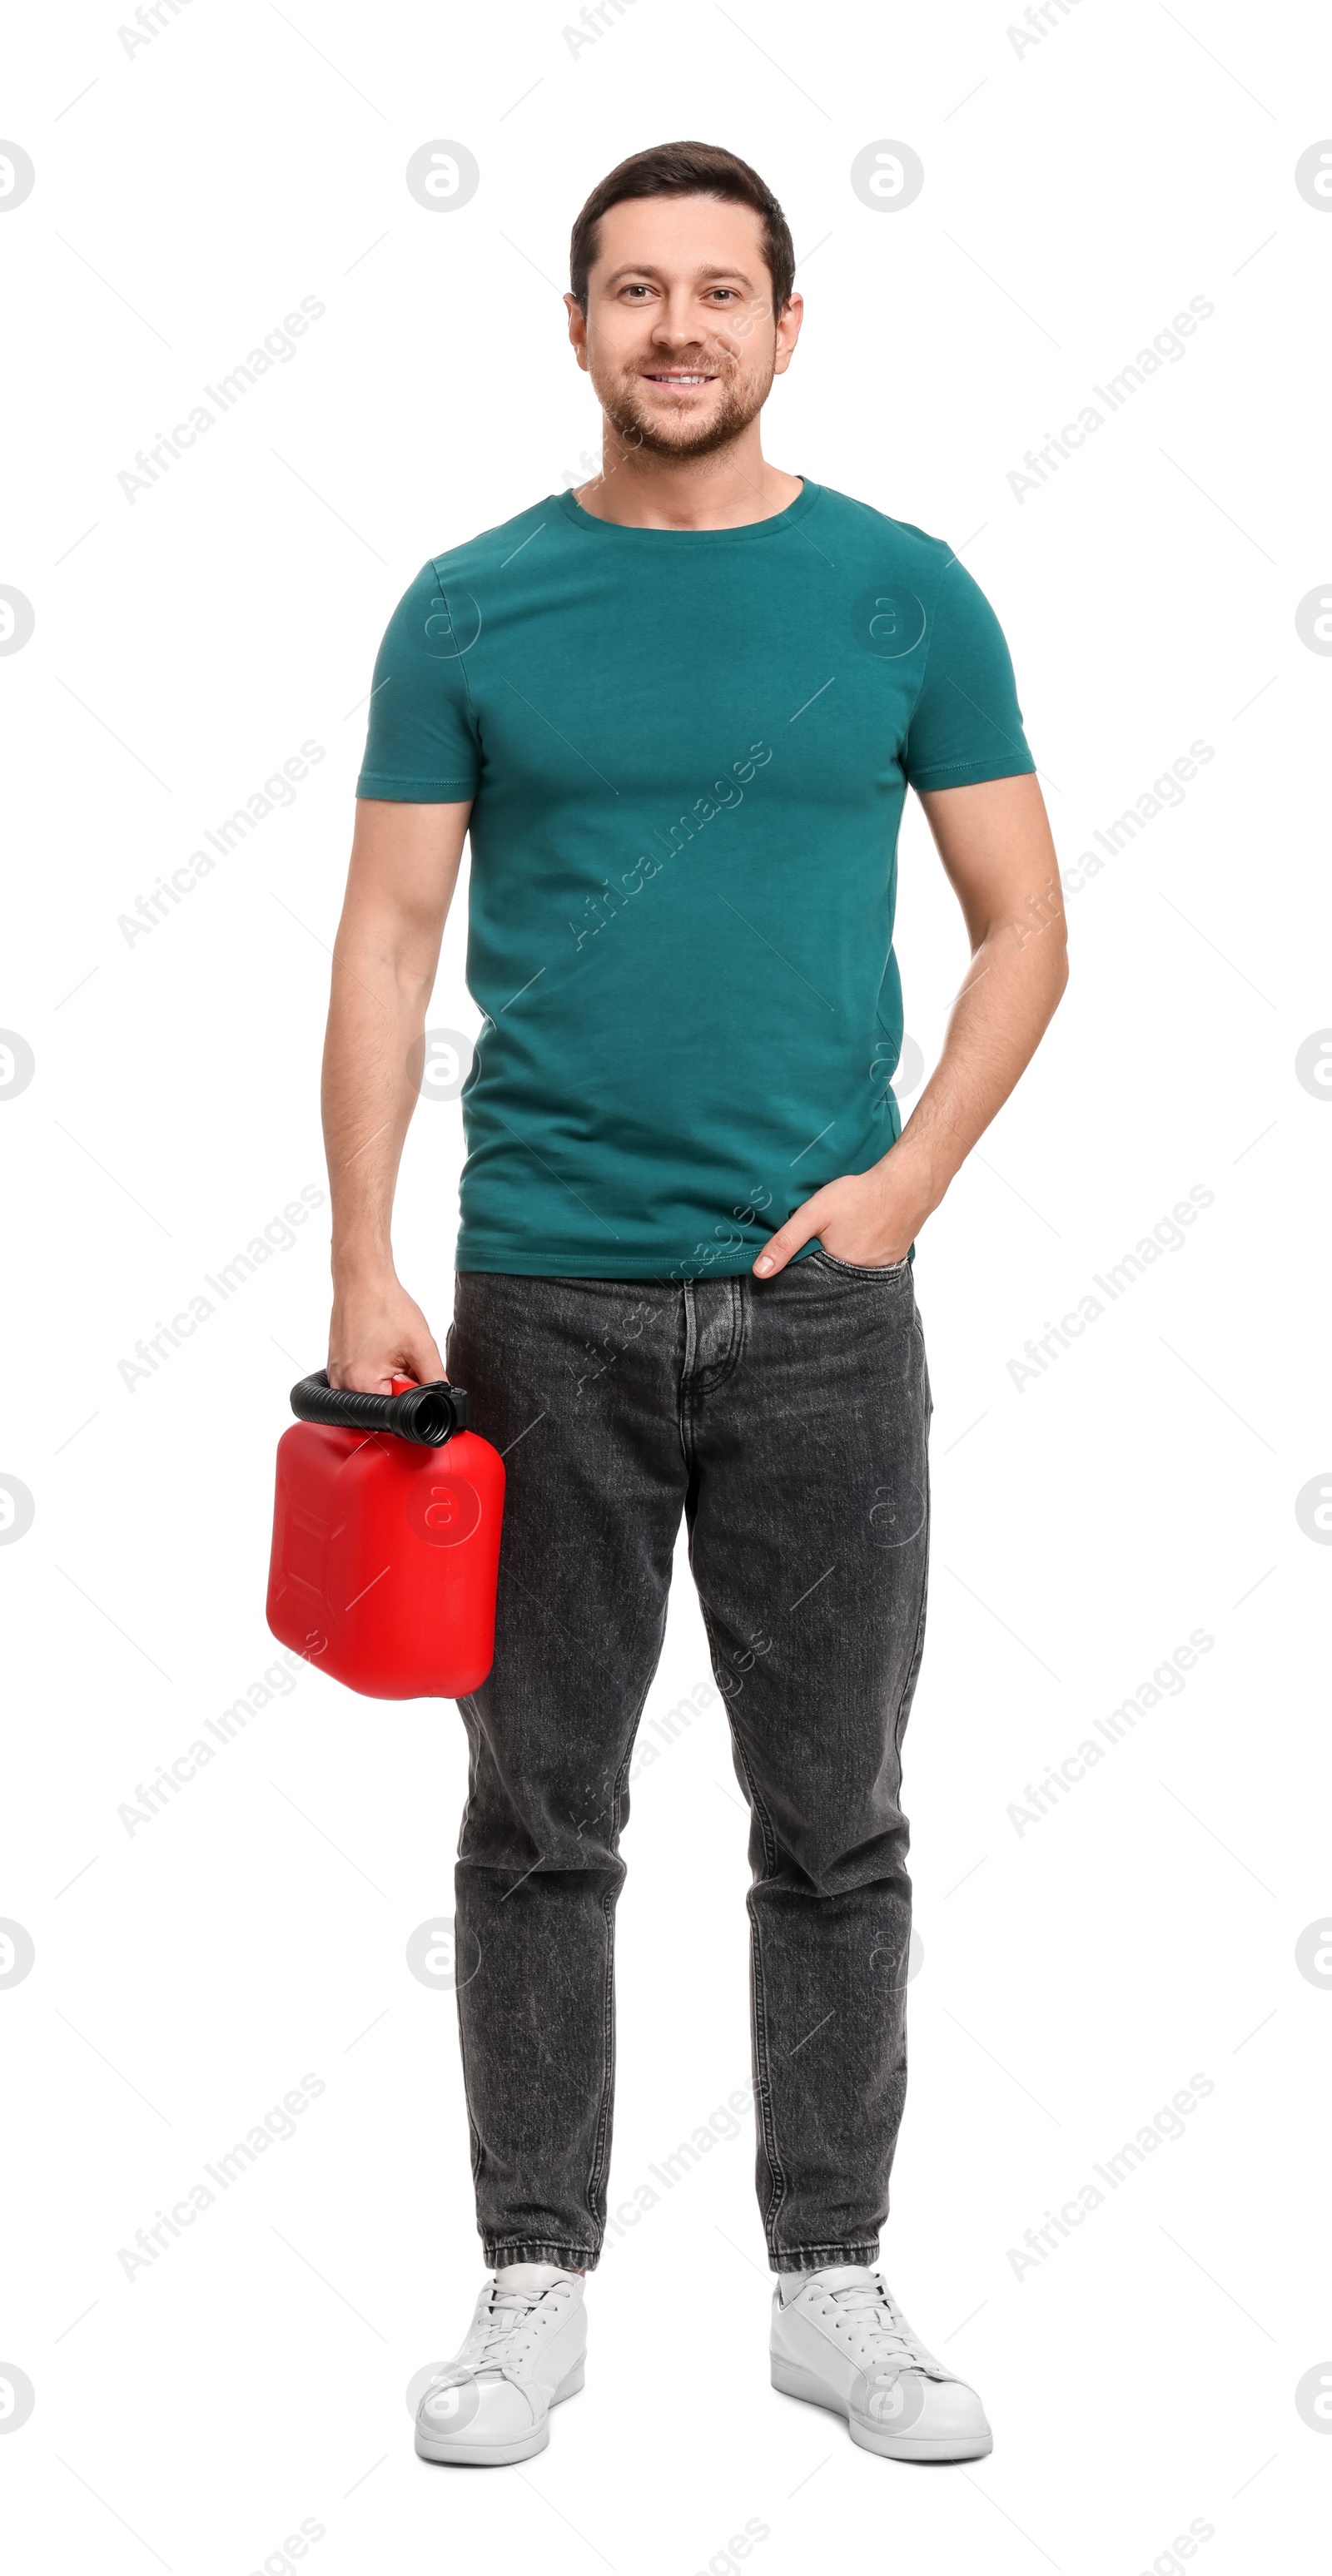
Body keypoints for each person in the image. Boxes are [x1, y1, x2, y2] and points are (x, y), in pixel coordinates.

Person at [322, 139, 1067, 2469]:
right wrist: (365, 1252)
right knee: (536, 1815)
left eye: (718, 292)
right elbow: (384, 942)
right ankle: (532, 2280)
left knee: (832, 1816)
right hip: (537, 1302)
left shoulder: (905, 595)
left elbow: (1026, 923)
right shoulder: (465, 612)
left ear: (785, 325)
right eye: (632, 292)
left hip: (823, 1317)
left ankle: (827, 2284)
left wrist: (907, 1183)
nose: (676, 329)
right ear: (574, 330)